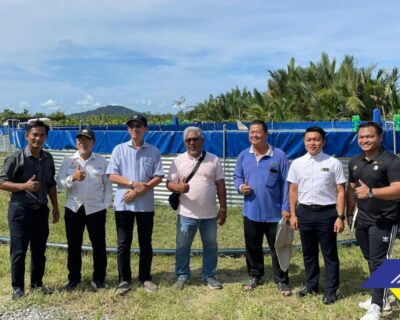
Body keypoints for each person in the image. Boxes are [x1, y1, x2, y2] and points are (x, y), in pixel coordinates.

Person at [0, 120, 60, 300]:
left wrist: (55, 207)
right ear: (26, 135)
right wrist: (24, 186)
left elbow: (51, 184)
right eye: (34, 134)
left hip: (41, 210)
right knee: (18, 250)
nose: (38, 138)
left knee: (39, 250)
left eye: (42, 135)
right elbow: (2, 182)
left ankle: (37, 284)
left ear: (46, 137)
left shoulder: (48, 158)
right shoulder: (16, 158)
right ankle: (18, 288)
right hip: (20, 210)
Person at [347, 121, 400, 320]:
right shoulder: (354, 161)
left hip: (385, 219)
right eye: (361, 137)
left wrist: (371, 192)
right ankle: (384, 296)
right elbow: (352, 188)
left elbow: (398, 188)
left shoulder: (391, 161)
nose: (365, 140)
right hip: (363, 219)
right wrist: (349, 213)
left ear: (380, 137)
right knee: (372, 259)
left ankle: (376, 308)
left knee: (379, 261)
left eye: (369, 136)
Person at [287, 126, 346, 304]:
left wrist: (340, 216)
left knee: (329, 253)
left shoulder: (333, 163)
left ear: (323, 142)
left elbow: (341, 191)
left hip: (327, 213)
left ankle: (330, 290)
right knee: (308, 252)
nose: (312, 143)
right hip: (304, 212)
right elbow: (293, 191)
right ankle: (311, 285)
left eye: (316, 139)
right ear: (304, 142)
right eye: (309, 140)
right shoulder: (297, 163)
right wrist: (293, 214)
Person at [106, 114, 164, 294]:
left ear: (145, 129)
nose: (135, 129)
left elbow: (159, 176)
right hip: (124, 206)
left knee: (145, 243)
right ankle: (124, 280)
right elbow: (112, 175)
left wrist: (141, 189)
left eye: (138, 126)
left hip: (145, 206)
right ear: (128, 129)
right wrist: (132, 184)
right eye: (131, 126)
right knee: (124, 243)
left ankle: (145, 278)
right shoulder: (119, 149)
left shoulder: (153, 151)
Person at [233, 119, 291, 296]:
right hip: (251, 211)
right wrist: (241, 187)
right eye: (251, 132)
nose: (254, 135)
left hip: (275, 213)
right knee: (252, 246)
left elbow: (288, 184)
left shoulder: (279, 155)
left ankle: (281, 280)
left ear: (266, 134)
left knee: (278, 247)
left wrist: (286, 207)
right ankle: (255, 275)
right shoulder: (244, 155)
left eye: (258, 132)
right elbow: (237, 176)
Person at [166, 126, 227, 290]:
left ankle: (208, 275)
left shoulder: (213, 159)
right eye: (188, 140)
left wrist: (223, 208)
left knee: (211, 246)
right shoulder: (178, 160)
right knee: (182, 247)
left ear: (202, 141)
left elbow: (220, 184)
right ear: (184, 142)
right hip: (186, 213)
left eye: (195, 139)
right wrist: (177, 188)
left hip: (209, 215)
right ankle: (182, 275)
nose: (192, 142)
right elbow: (169, 183)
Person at [56, 128, 112, 291]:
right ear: (76, 142)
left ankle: (99, 279)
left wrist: (105, 205)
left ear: (93, 142)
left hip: (95, 210)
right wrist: (72, 178)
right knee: (74, 245)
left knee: (99, 246)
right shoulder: (68, 161)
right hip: (74, 208)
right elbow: (58, 183)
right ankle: (74, 279)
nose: (83, 143)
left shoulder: (102, 161)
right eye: (80, 140)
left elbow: (108, 186)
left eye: (87, 140)